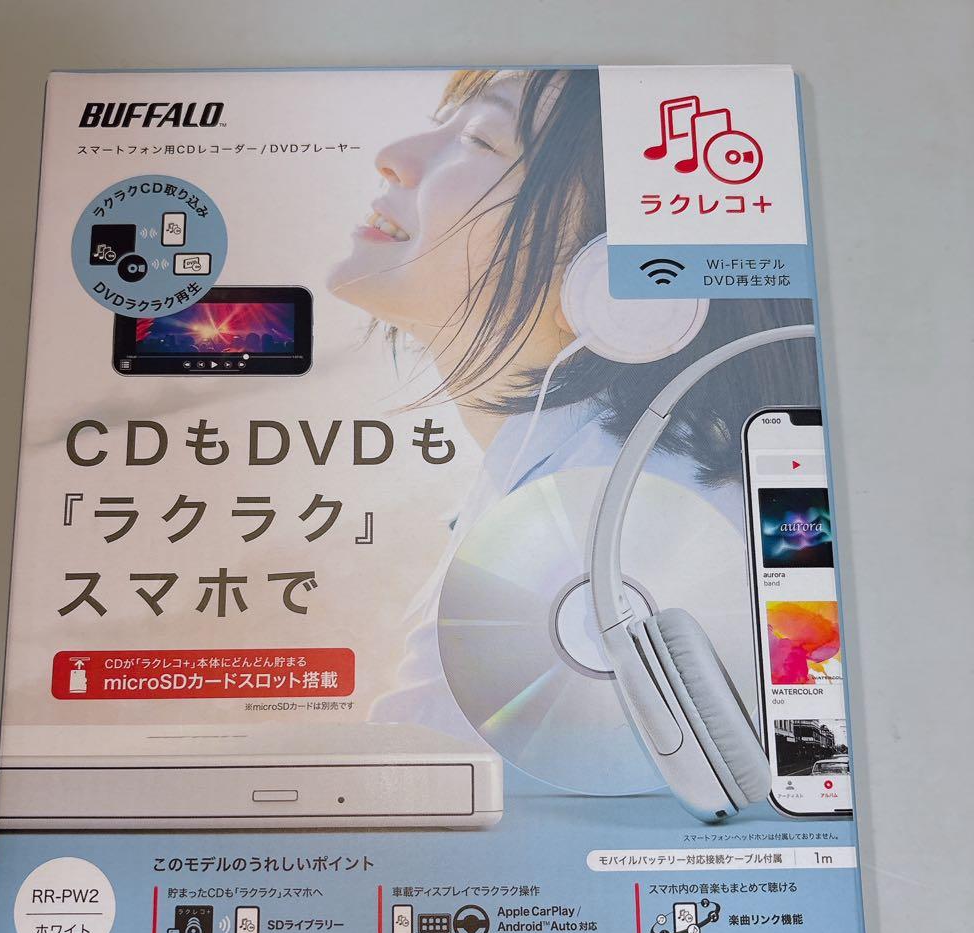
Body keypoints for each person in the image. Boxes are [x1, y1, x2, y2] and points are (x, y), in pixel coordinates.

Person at [327, 69, 819, 776]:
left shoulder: (604, 531)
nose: (394, 156)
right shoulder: (602, 475)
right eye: (446, 123)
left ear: (613, 286)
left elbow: (425, 806)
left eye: (479, 138)